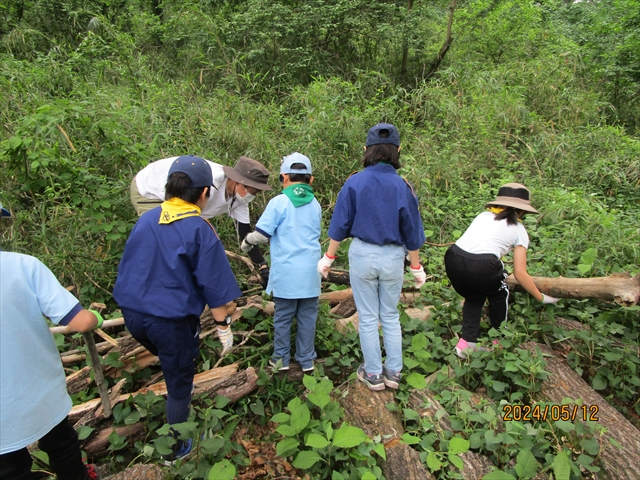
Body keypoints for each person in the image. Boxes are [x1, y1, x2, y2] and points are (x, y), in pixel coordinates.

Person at [113, 156, 242, 464]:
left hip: (132, 314)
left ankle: (171, 374)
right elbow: (215, 287)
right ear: (204, 194)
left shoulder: (148, 218)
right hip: (169, 321)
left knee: (168, 356)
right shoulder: (200, 228)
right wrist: (224, 328)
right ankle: (175, 449)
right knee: (180, 381)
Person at [317, 124, 427, 391]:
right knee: (389, 315)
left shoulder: (354, 181)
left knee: (367, 317)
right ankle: (394, 372)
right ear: (398, 150)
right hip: (393, 257)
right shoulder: (403, 186)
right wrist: (416, 266)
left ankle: (374, 374)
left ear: (366, 150)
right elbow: (411, 232)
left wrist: (328, 258)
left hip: (362, 253)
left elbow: (340, 225)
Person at [1, 204, 102, 480]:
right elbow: (78, 322)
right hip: (39, 394)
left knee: (10, 470)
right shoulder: (23, 266)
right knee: (63, 450)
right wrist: (95, 317)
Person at [444, 183, 560, 359]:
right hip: (483, 265)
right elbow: (520, 273)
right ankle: (499, 339)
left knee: (474, 296)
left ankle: (466, 345)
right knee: (500, 292)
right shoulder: (519, 230)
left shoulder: (483, 216)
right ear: (521, 211)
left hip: (453, 259)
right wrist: (541, 297)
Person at [130, 155, 272, 288]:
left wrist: (262, 266)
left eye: (256, 193)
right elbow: (180, 214)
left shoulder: (239, 200)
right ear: (239, 182)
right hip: (150, 189)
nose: (253, 196)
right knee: (163, 239)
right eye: (253, 191)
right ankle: (151, 284)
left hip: (180, 201)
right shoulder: (208, 181)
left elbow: (245, 232)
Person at [241, 153, 322, 372]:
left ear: (283, 177)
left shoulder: (279, 202)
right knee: (307, 318)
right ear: (310, 180)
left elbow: (262, 235)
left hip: (287, 273)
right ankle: (306, 360)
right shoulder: (315, 204)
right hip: (311, 273)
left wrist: (247, 241)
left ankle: (280, 360)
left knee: (284, 317)